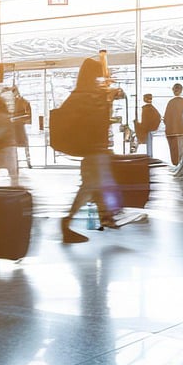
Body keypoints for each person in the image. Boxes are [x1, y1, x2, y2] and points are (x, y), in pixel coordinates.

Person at [59, 58, 146, 243]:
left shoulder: (81, 93)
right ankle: (69, 222)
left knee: (94, 186)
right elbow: (96, 118)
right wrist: (108, 97)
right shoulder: (88, 96)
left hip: (94, 149)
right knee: (93, 186)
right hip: (94, 149)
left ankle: (106, 217)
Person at [163, 83, 183, 164]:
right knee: (181, 151)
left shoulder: (170, 103)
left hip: (170, 132)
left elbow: (165, 118)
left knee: (173, 151)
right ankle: (180, 167)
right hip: (181, 132)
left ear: (173, 90)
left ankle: (175, 165)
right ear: (181, 90)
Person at [135, 93, 161, 158]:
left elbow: (144, 123)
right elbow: (159, 117)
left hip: (146, 131)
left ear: (145, 99)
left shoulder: (145, 109)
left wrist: (137, 124)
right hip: (151, 130)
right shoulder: (153, 109)